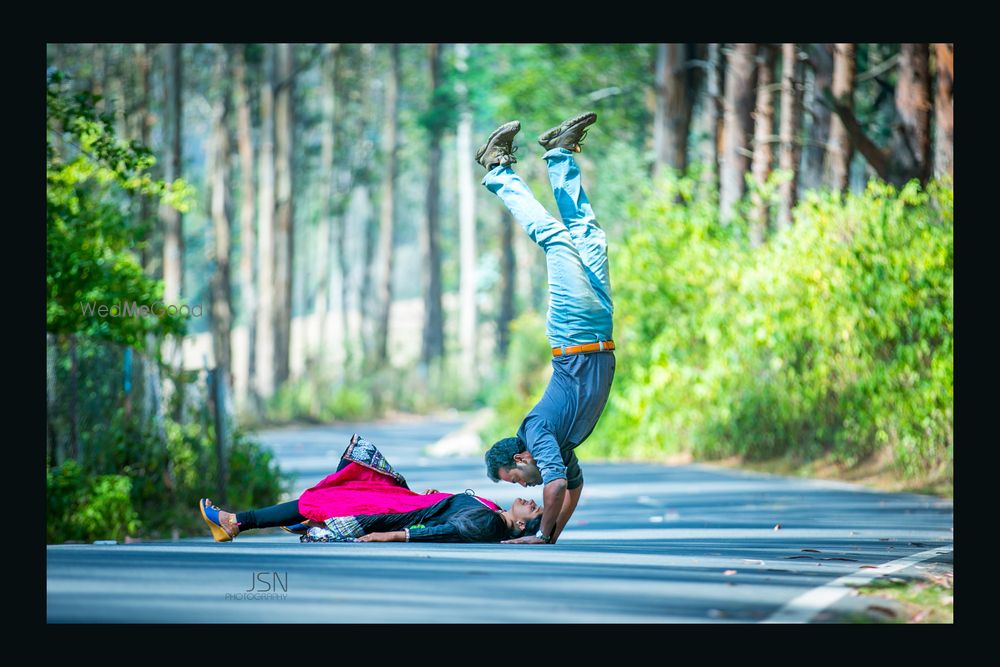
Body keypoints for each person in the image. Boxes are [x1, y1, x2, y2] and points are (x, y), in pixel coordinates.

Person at [478, 113, 616, 545]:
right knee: (589, 237)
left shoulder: (537, 431)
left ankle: (497, 169)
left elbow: (553, 487)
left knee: (556, 239)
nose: (524, 486)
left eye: (516, 477)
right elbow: (572, 487)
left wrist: (538, 536)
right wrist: (552, 534)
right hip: (599, 331)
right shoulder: (560, 448)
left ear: (521, 456)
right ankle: (559, 154)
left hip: (575, 336)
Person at [199, 433, 543, 543]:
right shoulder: (493, 513)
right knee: (359, 464)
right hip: (410, 501)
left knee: (326, 499)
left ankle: (236, 522)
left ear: (523, 524)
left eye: (534, 509)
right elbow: (452, 510)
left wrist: (391, 536)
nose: (530, 499)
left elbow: (443, 530)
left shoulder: (491, 524)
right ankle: (312, 520)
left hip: (400, 514)